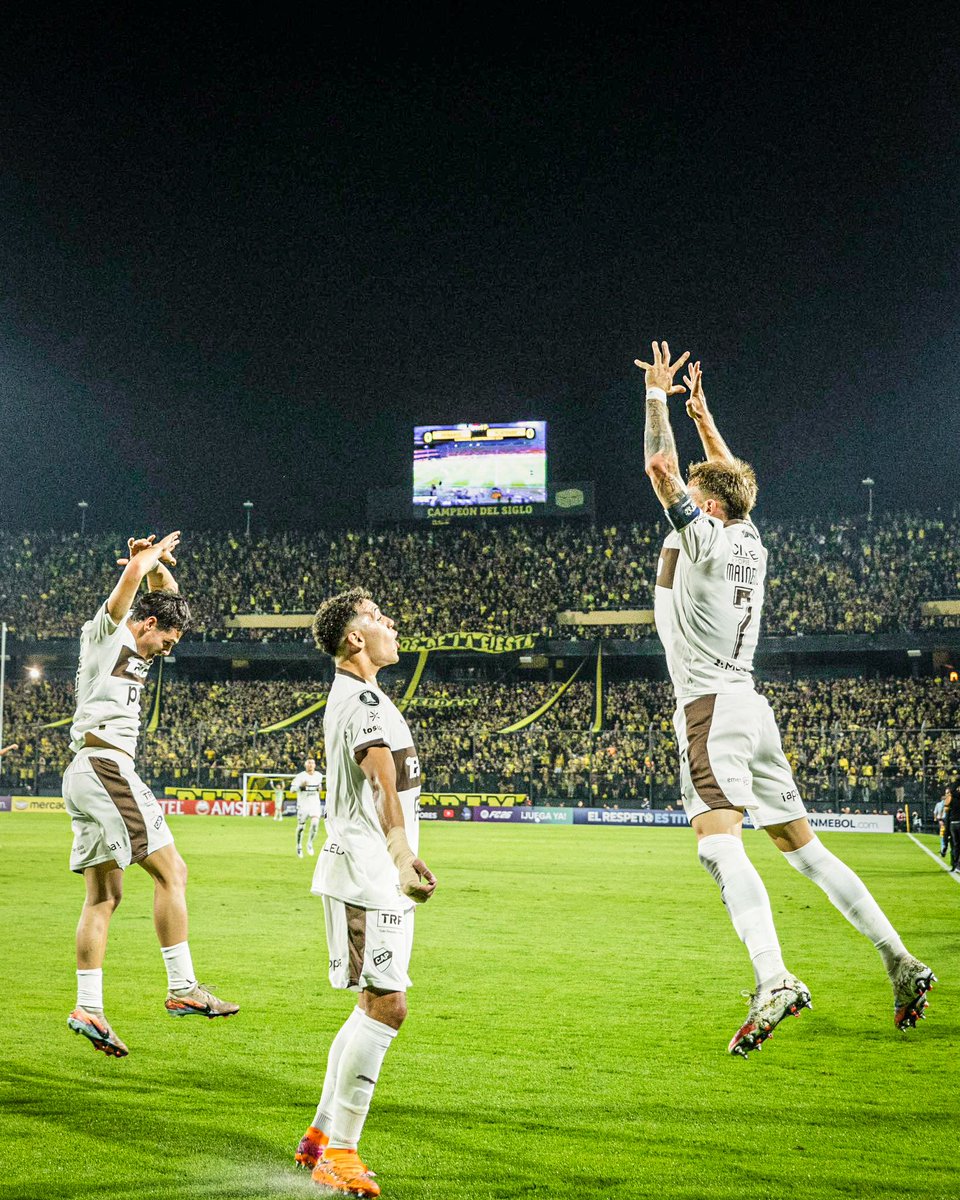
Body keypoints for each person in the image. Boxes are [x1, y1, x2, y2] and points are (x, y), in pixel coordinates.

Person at [637, 341, 936, 1056]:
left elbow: (660, 467)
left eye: (701, 495)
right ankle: (900, 960)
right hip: (751, 706)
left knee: (718, 844)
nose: (692, 497)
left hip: (710, 707)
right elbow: (733, 483)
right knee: (805, 851)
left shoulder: (706, 538)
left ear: (709, 506)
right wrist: (704, 418)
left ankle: (773, 977)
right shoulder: (749, 536)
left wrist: (656, 399)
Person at [63, 533, 239, 1058]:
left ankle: (88, 1007)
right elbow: (126, 594)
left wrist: (160, 568)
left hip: (87, 771)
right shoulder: (107, 634)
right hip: (106, 767)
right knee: (172, 872)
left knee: (104, 897)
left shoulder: (143, 645)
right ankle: (183, 987)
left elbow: (170, 600)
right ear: (146, 624)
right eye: (167, 638)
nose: (169, 648)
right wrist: (141, 562)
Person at [294, 587, 436, 1198]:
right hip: (369, 875)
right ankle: (341, 1154)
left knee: (372, 1005)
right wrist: (402, 856)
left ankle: (322, 1135)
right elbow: (381, 782)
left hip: (371, 875)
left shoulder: (358, 696)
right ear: (356, 638)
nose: (391, 623)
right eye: (378, 618)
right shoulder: (366, 702)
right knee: (387, 1005)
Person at [291, 755, 325, 856]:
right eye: (309, 763)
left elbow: (319, 787)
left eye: (312, 763)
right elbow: (292, 790)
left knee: (315, 823)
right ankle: (299, 846)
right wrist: (300, 786)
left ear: (315, 765)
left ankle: (310, 844)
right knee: (301, 827)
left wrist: (319, 789)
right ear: (305, 765)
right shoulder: (300, 776)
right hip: (303, 804)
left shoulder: (319, 775)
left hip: (314, 804)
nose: (310, 765)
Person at [933, 790, 947, 857]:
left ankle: (942, 847)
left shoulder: (938, 804)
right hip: (946, 819)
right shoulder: (947, 804)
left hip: (940, 820)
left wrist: (935, 818)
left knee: (942, 834)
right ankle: (944, 847)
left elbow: (935, 812)